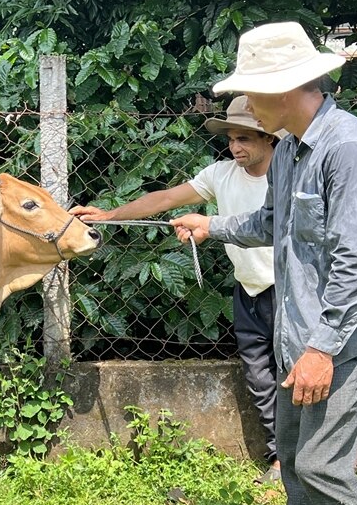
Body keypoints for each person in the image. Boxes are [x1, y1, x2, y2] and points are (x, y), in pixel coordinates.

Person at [171, 22, 357, 505]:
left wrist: (321, 350)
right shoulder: (293, 151)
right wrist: (213, 226)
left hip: (341, 339)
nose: (245, 106)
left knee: (325, 463)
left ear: (289, 88)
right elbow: (274, 222)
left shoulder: (348, 149)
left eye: (254, 92)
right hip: (295, 332)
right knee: (294, 457)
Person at [71, 97, 285, 483]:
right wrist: (109, 214)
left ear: (269, 137)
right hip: (248, 289)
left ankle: (337, 451)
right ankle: (280, 458)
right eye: (232, 139)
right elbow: (167, 198)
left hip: (289, 289)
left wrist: (210, 223)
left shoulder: (289, 174)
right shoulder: (221, 174)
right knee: (259, 376)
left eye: (245, 139)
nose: (236, 147)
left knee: (295, 374)